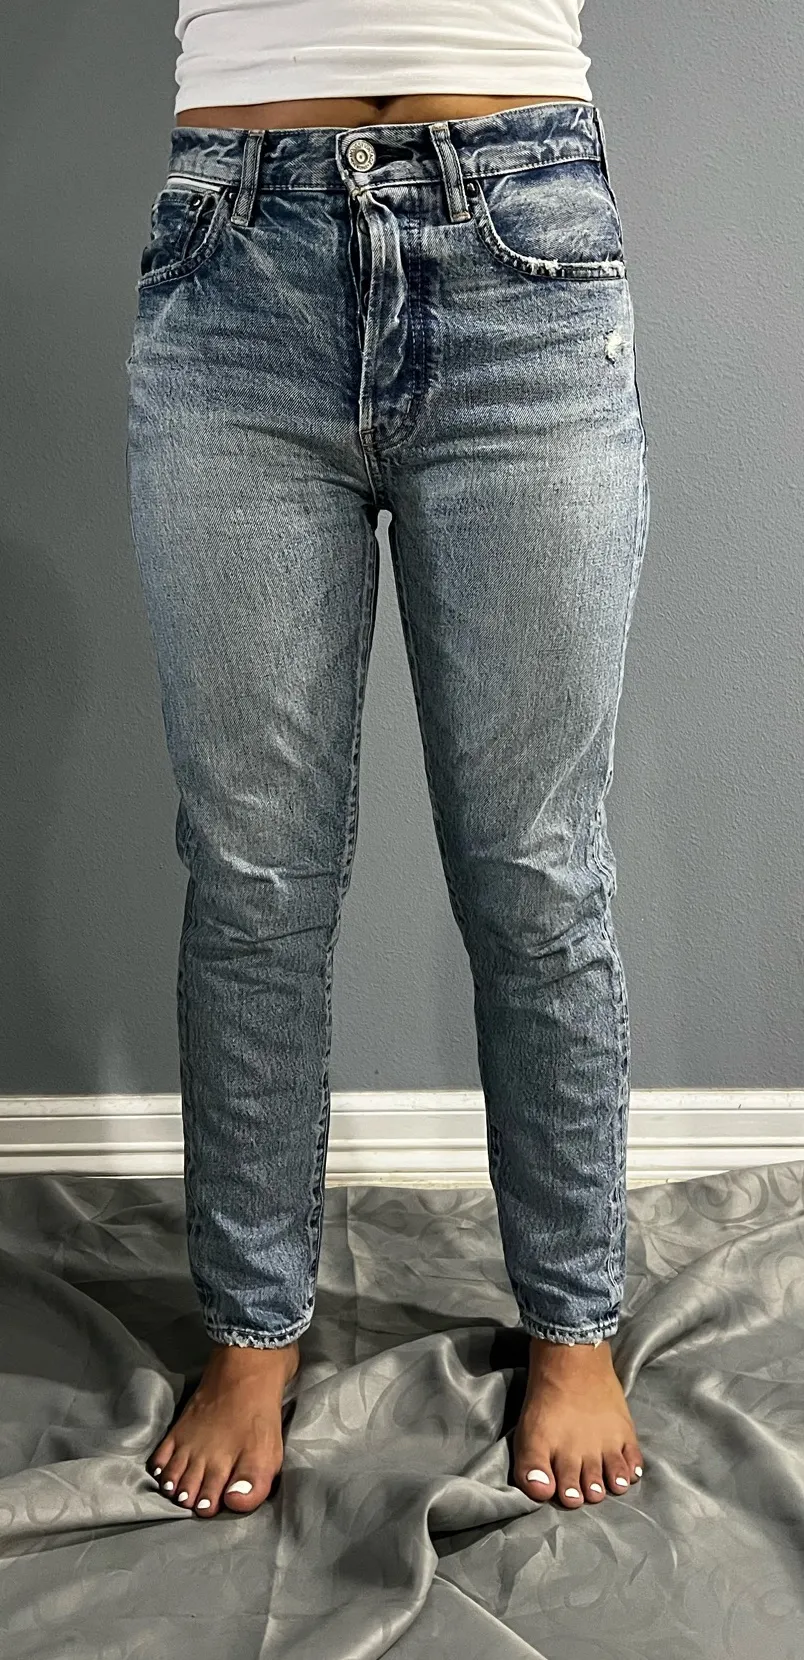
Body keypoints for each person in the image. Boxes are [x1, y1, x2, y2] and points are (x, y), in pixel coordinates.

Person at [126, 0, 649, 1521]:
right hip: (234, 253)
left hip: (520, 244)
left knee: (536, 871)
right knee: (251, 877)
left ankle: (574, 1321)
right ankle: (251, 1333)